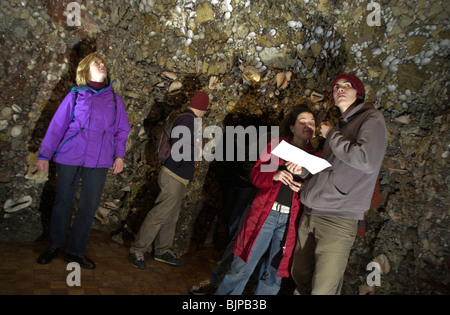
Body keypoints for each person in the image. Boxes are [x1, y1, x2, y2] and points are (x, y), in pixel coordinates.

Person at [291, 73, 388, 295]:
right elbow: (331, 166)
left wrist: (332, 135)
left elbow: (365, 160)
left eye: (347, 85)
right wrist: (305, 170)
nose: (340, 89)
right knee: (300, 275)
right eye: (336, 87)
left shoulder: (371, 119)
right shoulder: (340, 124)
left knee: (323, 290)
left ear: (359, 94)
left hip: (338, 218)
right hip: (312, 213)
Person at [36, 52, 130, 269]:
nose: (101, 65)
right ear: (86, 70)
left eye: (103, 63)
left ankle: (75, 252)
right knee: (63, 202)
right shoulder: (75, 96)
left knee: (88, 206)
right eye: (96, 63)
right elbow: (57, 126)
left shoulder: (115, 100)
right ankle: (54, 246)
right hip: (70, 155)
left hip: (99, 161)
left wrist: (119, 155)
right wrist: (44, 154)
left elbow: (121, 130)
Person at [215, 106, 319, 295]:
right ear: (292, 127)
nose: (308, 125)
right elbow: (255, 174)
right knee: (242, 266)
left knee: (274, 274)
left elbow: (319, 189)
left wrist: (305, 187)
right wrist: (275, 175)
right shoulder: (277, 147)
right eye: (302, 121)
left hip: (291, 222)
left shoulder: (317, 157)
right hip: (266, 213)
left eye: (312, 122)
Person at [129, 91, 210, 269]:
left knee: (170, 216)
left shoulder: (187, 120)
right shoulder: (188, 120)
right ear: (203, 108)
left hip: (178, 176)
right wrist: (200, 152)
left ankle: (162, 250)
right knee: (160, 214)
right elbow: (179, 147)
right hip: (173, 175)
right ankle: (137, 249)